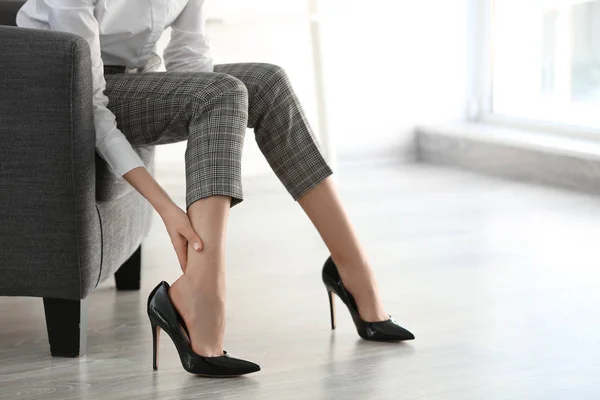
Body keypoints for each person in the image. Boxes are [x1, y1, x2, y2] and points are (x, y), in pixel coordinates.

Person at [17, 0, 414, 377]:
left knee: (265, 83)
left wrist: (218, 107)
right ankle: (202, 298)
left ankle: (352, 267)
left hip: (137, 84)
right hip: (55, 90)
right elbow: (91, 104)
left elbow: (191, 60)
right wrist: (166, 207)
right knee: (221, 93)